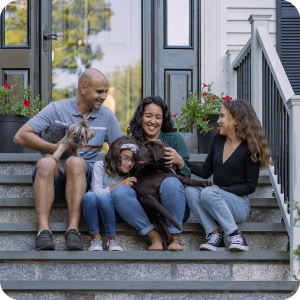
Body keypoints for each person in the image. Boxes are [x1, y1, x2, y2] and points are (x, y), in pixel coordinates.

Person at [13, 68, 123, 251]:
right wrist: (56, 148)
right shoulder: (57, 109)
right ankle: (43, 231)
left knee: (75, 162)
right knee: (46, 163)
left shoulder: (107, 115)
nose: (104, 96)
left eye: (105, 91)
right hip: (53, 179)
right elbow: (20, 136)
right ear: (83, 88)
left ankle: (73, 230)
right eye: (99, 91)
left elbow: (120, 149)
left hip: (81, 175)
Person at [184, 99, 271, 251]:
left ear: (236, 120)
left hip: (238, 204)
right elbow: (206, 171)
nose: (218, 121)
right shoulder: (218, 140)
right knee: (190, 190)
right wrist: (182, 162)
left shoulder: (250, 148)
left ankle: (235, 235)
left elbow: (249, 187)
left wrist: (220, 190)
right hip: (214, 197)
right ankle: (214, 235)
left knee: (209, 192)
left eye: (222, 116)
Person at [112, 95, 191, 251]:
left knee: (171, 182)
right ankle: (154, 237)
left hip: (172, 204)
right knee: (119, 191)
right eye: (148, 116)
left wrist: (180, 162)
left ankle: (174, 238)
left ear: (163, 120)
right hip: (144, 206)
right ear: (141, 117)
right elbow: (122, 174)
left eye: (158, 117)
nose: (153, 121)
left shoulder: (174, 139)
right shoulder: (131, 142)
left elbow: (187, 177)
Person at [82, 136, 139, 251]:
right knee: (89, 196)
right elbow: (96, 193)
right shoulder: (100, 166)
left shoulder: (133, 173)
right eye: (125, 158)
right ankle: (95, 238)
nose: (129, 163)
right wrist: (120, 184)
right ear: (115, 156)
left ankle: (111, 239)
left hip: (115, 213)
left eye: (133, 159)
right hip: (93, 211)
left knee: (105, 199)